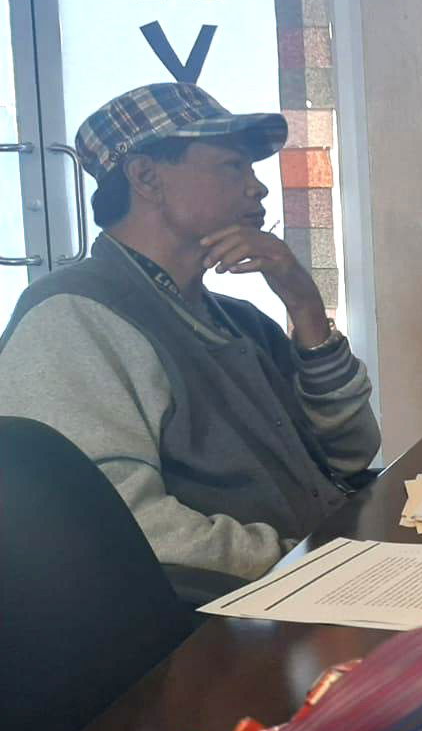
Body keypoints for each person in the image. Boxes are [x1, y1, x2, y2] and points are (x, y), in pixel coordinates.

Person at [0, 83, 381, 581]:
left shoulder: (237, 319)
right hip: (218, 632)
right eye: (232, 165)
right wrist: (301, 562)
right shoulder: (71, 317)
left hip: (311, 582)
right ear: (145, 177)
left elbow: (350, 456)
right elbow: (125, 528)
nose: (257, 187)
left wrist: (306, 307)